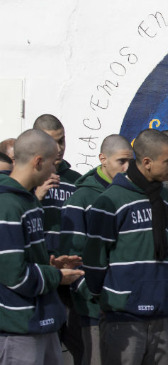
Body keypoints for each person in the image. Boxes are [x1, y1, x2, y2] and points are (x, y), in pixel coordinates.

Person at [83, 129, 168, 365]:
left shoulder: (167, 201)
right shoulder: (111, 200)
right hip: (123, 319)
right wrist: (105, 299)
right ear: (147, 162)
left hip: (162, 317)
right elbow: (95, 260)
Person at [0, 129, 83, 365]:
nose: (55, 171)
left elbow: (27, 260)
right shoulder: (6, 205)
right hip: (18, 328)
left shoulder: (29, 202)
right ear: (38, 161)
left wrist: (51, 263)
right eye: (53, 163)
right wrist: (56, 275)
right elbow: (14, 275)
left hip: (42, 321)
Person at [60, 134, 133, 365]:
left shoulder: (131, 196)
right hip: (94, 311)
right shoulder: (81, 198)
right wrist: (93, 295)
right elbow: (73, 256)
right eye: (121, 161)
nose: (127, 168)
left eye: (131, 161)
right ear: (103, 158)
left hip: (127, 308)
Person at [32, 114, 84, 363]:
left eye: (62, 140)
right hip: (39, 276)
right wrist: (36, 196)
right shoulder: (26, 182)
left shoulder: (77, 181)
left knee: (78, 347)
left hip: (72, 277)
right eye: (53, 142)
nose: (60, 147)